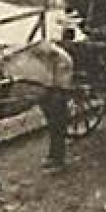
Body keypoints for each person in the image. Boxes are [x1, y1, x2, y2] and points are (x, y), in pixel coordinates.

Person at [40, 27, 77, 169]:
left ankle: (58, 156)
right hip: (55, 85)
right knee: (55, 116)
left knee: (57, 117)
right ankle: (56, 154)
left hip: (57, 87)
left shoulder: (61, 61)